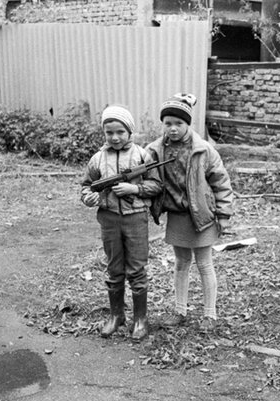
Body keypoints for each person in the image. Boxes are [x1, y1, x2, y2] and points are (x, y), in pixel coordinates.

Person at [145, 94, 234, 332]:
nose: (173, 129)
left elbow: (221, 182)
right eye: (168, 123)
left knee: (204, 264)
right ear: (162, 124)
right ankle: (180, 311)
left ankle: (210, 314)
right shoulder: (155, 150)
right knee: (181, 262)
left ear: (188, 124)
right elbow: (144, 175)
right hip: (178, 216)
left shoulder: (203, 150)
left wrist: (223, 215)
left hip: (202, 216)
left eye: (179, 123)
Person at [81, 105, 162, 340]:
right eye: (109, 133)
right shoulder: (97, 159)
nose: (115, 137)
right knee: (114, 268)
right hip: (109, 219)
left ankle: (140, 319)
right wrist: (90, 198)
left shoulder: (142, 156)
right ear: (104, 133)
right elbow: (86, 186)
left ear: (130, 132)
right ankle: (116, 315)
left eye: (120, 132)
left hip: (136, 218)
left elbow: (156, 185)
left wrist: (134, 188)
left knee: (137, 269)